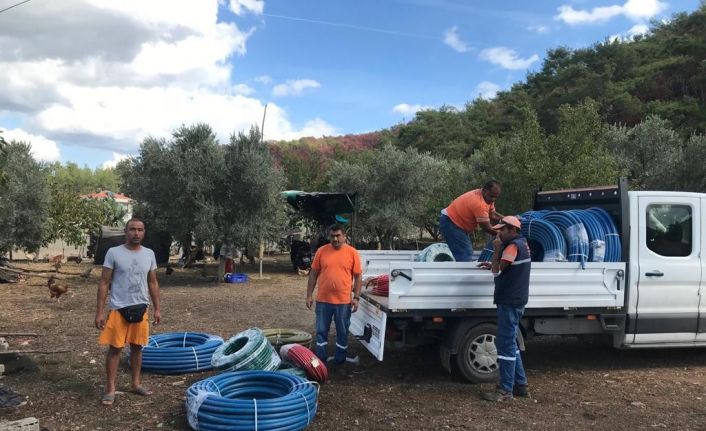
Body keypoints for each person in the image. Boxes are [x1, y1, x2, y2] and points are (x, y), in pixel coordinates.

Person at [95, 218, 161, 406]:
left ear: (144, 232)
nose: (136, 233)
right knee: (115, 349)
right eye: (132, 229)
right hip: (119, 308)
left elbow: (153, 282)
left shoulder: (149, 254)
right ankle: (110, 389)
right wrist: (100, 312)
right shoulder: (113, 253)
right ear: (126, 231)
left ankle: (135, 383)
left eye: (140, 230)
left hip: (141, 308)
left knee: (137, 347)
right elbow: (104, 282)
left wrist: (157, 308)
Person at [478, 215, 531, 401]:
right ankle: (521, 385)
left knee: (505, 345)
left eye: (502, 230)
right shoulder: (522, 244)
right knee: (511, 343)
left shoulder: (512, 246)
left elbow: (498, 270)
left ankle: (505, 390)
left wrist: (496, 251)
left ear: (512, 230)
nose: (499, 233)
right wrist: (494, 262)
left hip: (509, 300)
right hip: (516, 299)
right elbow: (507, 266)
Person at [306, 224, 362, 370]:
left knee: (342, 332)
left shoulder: (352, 253)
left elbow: (358, 276)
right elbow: (313, 274)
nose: (335, 239)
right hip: (323, 301)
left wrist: (356, 297)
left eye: (338, 236)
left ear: (344, 236)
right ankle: (321, 360)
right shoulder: (321, 251)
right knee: (321, 331)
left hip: (343, 302)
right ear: (329, 237)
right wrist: (309, 295)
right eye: (332, 236)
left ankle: (339, 360)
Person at [439, 180, 504, 262]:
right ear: (485, 190)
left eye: (495, 197)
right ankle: (464, 270)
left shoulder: (487, 198)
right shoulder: (478, 203)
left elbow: (493, 215)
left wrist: (508, 219)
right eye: (492, 196)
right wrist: (503, 234)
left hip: (455, 223)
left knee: (465, 252)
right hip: (451, 223)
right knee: (465, 253)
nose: (493, 199)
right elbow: (487, 228)